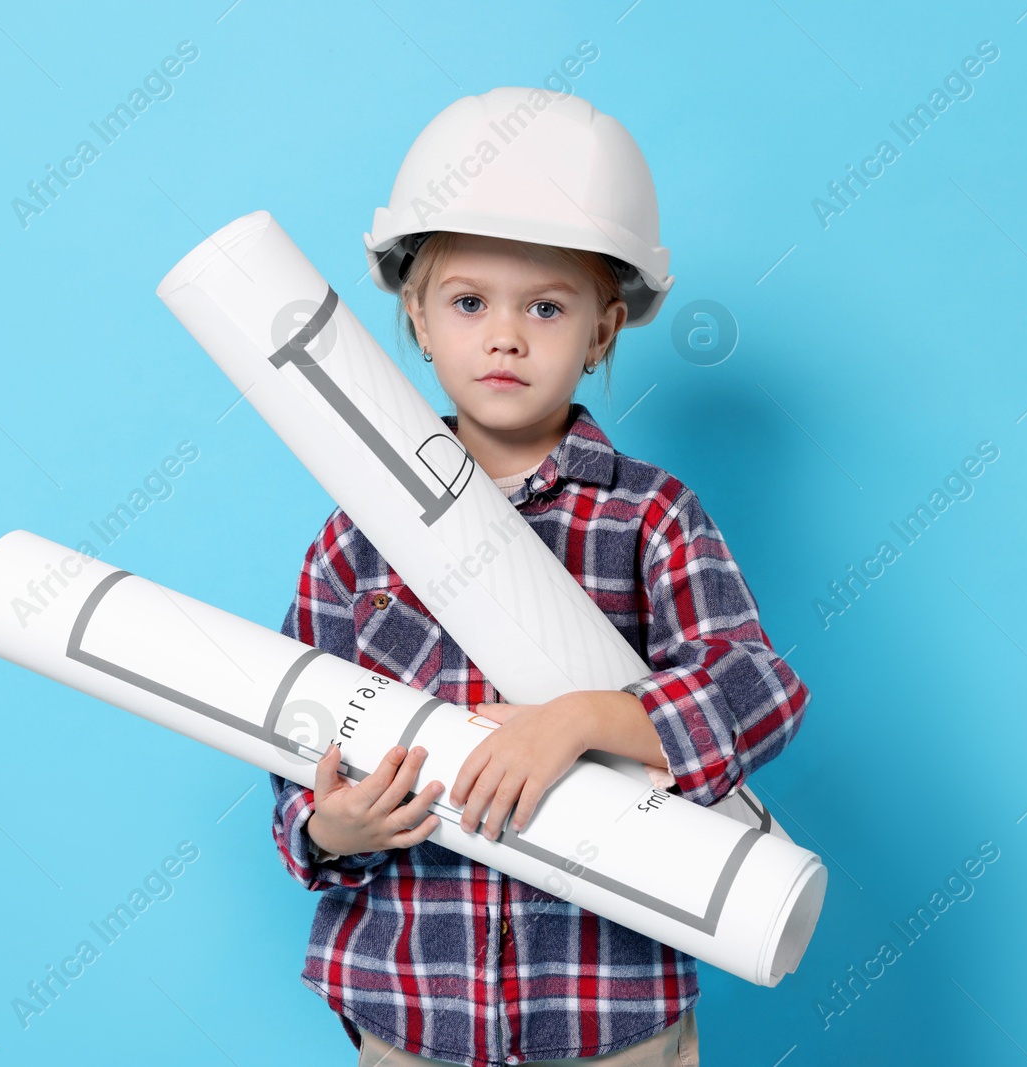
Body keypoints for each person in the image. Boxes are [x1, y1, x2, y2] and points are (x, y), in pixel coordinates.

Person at [268, 87, 811, 1067]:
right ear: (418, 321)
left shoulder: (647, 517)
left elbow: (758, 690)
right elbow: (290, 739)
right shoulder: (356, 538)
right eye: (469, 301)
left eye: (546, 306)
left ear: (603, 330)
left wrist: (582, 718)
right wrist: (330, 826)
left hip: (608, 1006)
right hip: (413, 1001)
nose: (505, 335)